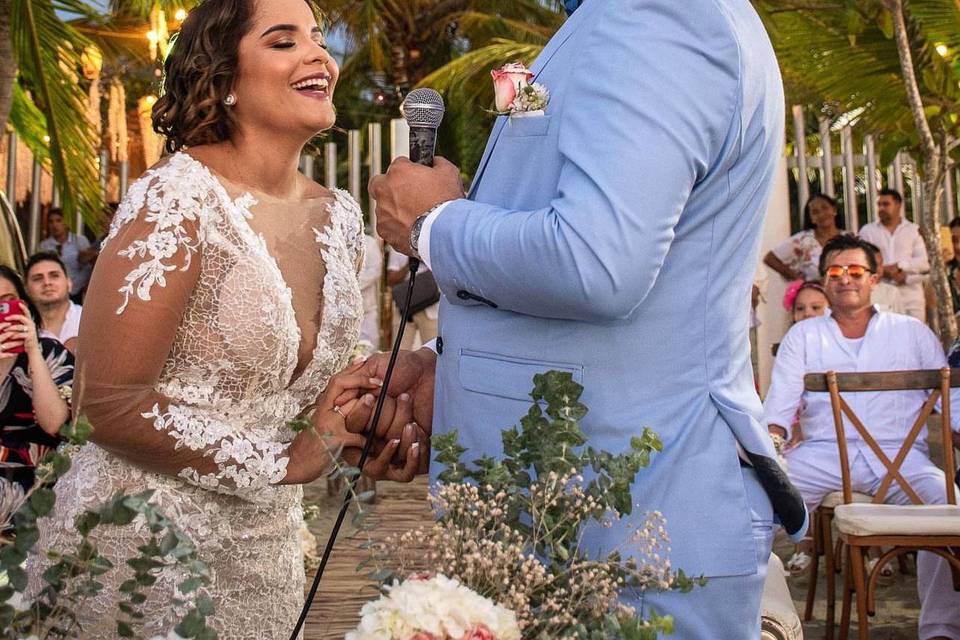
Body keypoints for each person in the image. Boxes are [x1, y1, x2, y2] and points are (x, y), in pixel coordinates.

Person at [362, 1, 807, 637]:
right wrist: (451, 373)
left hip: (632, 522)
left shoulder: (659, 15)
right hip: (579, 513)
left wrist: (435, 225)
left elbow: (597, 262)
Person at [31, 1, 418, 637]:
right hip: (143, 556)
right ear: (225, 79)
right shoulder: (175, 200)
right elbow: (102, 402)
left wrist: (361, 424)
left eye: (319, 39)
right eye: (283, 41)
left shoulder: (340, 217)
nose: (319, 56)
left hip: (268, 555)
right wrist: (283, 462)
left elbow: (303, 391)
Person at [764, 234, 960, 640]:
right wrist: (769, 450)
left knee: (951, 507)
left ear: (874, 279)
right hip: (822, 456)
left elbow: (951, 408)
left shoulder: (912, 332)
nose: (845, 278)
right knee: (750, 507)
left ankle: (942, 629)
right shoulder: (804, 336)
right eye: (835, 271)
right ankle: (759, 620)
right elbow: (778, 414)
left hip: (903, 458)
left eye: (856, 271)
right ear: (823, 280)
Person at [0, 265, 73, 497]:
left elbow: (54, 424)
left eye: (7, 301)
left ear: (23, 304)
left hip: (33, 481)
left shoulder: (50, 352)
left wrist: (32, 350)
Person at [777, 279, 830, 574]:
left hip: (836, 435)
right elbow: (786, 402)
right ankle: (803, 544)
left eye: (816, 307)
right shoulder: (793, 344)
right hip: (802, 434)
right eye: (800, 308)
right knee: (787, 469)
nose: (808, 313)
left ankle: (872, 550)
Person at [858, 188, 929, 321]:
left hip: (911, 295)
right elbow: (861, 260)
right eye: (879, 205)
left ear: (898, 205)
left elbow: (924, 262)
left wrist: (900, 267)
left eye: (886, 204)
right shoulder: (867, 231)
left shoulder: (913, 230)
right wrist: (884, 271)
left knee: (914, 335)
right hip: (879, 294)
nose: (881, 208)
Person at [764, 194, 844, 282]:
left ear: (834, 210)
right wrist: (797, 279)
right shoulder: (802, 240)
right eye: (815, 212)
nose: (821, 214)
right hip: (812, 293)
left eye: (825, 208)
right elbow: (770, 258)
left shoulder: (848, 238)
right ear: (811, 218)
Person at [24, 252, 82, 353]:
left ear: (69, 283)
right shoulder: (20, 329)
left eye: (54, 276)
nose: (47, 283)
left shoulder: (90, 318)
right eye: (38, 279)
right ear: (26, 290)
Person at [386, 247, 439, 349]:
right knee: (399, 354)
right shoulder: (396, 244)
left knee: (433, 355)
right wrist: (409, 265)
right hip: (404, 308)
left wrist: (426, 260)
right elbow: (391, 280)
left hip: (432, 310)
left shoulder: (433, 243)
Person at [37, 208, 94, 301]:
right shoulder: (44, 246)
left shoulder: (79, 241)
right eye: (51, 222)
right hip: (54, 291)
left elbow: (88, 267)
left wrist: (76, 286)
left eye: (58, 220)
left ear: (66, 223)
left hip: (77, 291)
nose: (54, 225)